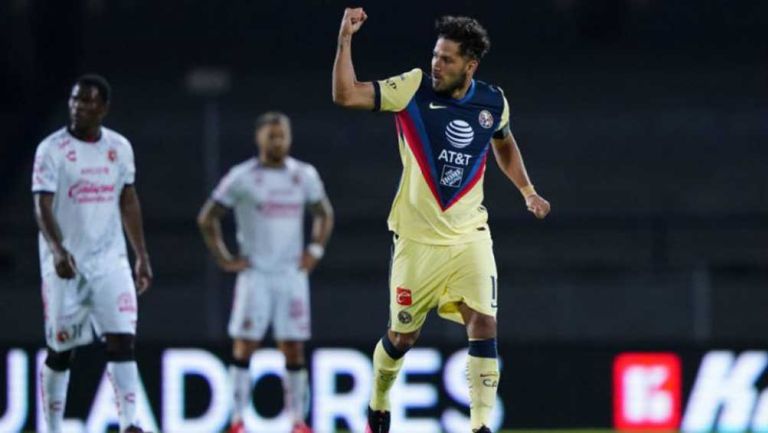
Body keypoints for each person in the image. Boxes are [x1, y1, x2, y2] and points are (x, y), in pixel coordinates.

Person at [332, 9, 552, 433]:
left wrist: (527, 191)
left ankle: (481, 425)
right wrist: (345, 40)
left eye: (448, 59)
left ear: (471, 66)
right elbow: (346, 95)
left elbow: (504, 144)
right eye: (436, 55)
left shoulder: (493, 101)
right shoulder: (412, 88)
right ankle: (378, 400)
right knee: (402, 339)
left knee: (484, 323)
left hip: (470, 236)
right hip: (417, 241)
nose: (437, 64)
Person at [197, 111, 334, 433]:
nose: (278, 141)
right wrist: (225, 259)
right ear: (259, 138)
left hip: (291, 275)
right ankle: (237, 419)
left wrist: (314, 251)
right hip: (255, 274)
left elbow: (324, 213)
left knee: (294, 346)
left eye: (282, 135)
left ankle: (297, 421)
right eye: (272, 135)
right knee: (245, 345)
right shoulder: (242, 176)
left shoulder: (303, 175)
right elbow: (208, 217)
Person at [32, 74, 153, 433]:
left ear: (103, 108)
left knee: (122, 338)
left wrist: (141, 255)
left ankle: (131, 423)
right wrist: (57, 249)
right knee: (60, 350)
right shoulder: (51, 150)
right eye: (74, 100)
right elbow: (42, 203)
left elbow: (128, 199)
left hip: (109, 262)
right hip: (65, 266)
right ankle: (52, 426)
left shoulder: (119, 148)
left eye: (87, 102)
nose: (78, 107)